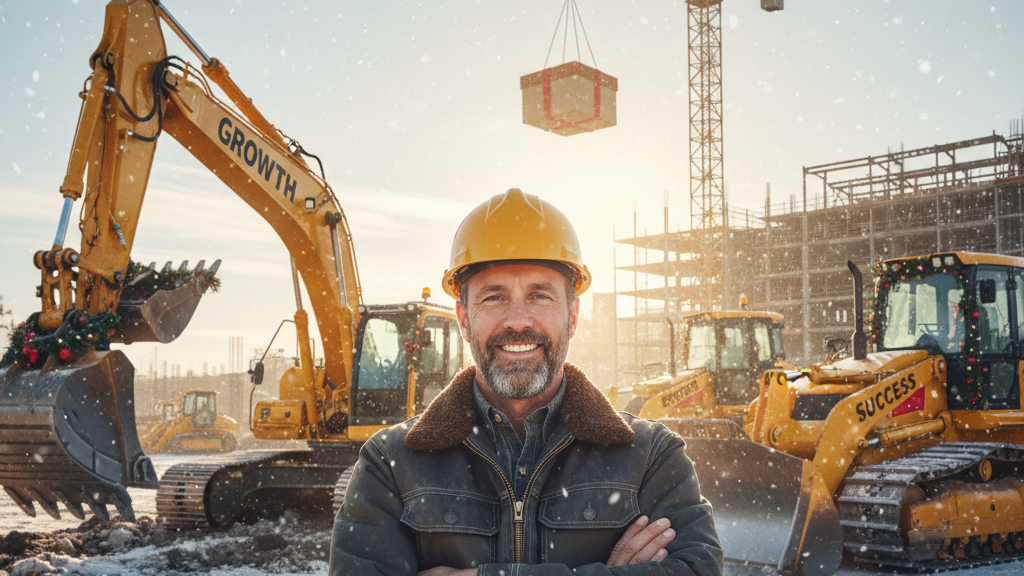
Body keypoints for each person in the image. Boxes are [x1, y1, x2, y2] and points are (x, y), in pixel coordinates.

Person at [329, 189, 722, 576]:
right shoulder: (390, 464)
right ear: (464, 319)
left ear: (572, 315)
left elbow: (698, 570)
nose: (518, 321)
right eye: (494, 297)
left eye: (539, 296)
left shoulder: (651, 456)